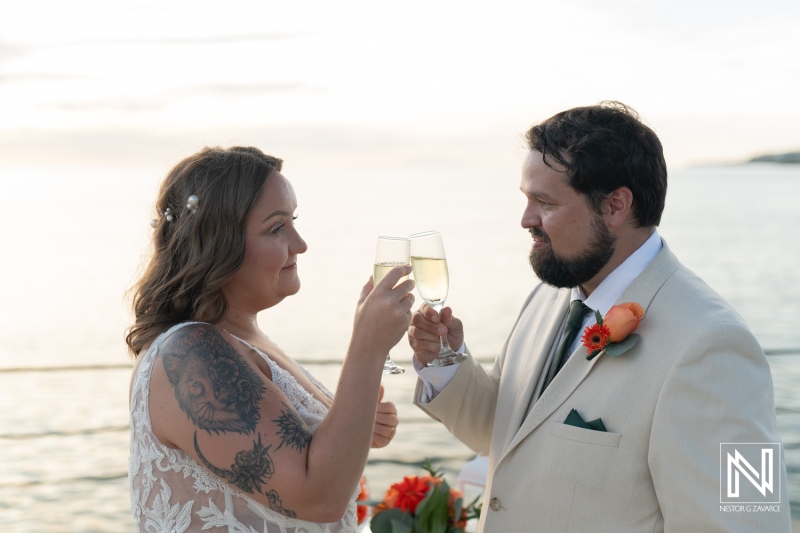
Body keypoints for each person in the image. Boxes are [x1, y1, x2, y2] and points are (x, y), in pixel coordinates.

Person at [408, 102, 791, 532]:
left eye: (545, 202)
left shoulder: (715, 346)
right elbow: (504, 435)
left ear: (615, 206)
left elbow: (751, 524)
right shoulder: (547, 299)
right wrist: (445, 359)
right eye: (526, 198)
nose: (525, 219)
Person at [126, 146, 415, 532]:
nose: (300, 244)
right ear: (219, 243)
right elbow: (319, 497)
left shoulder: (244, 340)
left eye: (293, 221)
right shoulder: (191, 354)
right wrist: (368, 346)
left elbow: (302, 455)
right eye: (277, 228)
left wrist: (357, 419)